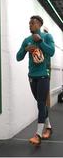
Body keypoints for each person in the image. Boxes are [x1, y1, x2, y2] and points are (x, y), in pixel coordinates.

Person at [16, 15, 55, 146]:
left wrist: (40, 42)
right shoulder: (27, 40)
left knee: (41, 103)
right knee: (41, 103)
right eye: (29, 23)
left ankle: (38, 135)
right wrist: (25, 49)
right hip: (32, 76)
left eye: (32, 23)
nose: (30, 25)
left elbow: (51, 52)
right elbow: (18, 57)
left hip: (44, 74)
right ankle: (49, 127)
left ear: (39, 24)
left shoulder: (47, 37)